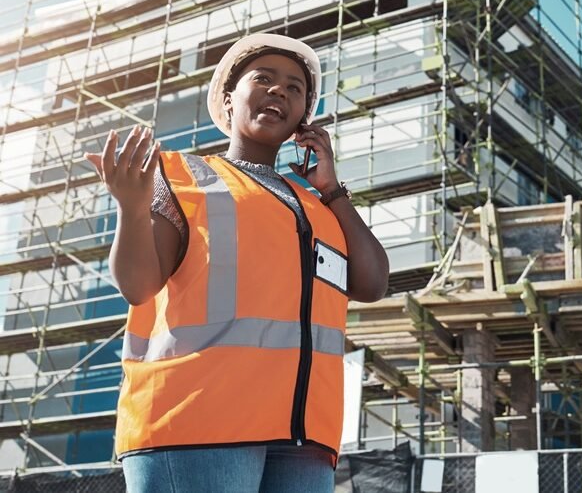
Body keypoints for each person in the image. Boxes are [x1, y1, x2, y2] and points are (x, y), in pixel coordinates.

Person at [85, 33, 389, 492]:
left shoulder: (318, 205)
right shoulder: (184, 178)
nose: (278, 91)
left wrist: (332, 189)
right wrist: (131, 208)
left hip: (303, 435)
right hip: (195, 423)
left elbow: (371, 283)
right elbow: (138, 286)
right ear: (228, 102)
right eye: (263, 78)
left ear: (303, 119)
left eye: (294, 88)